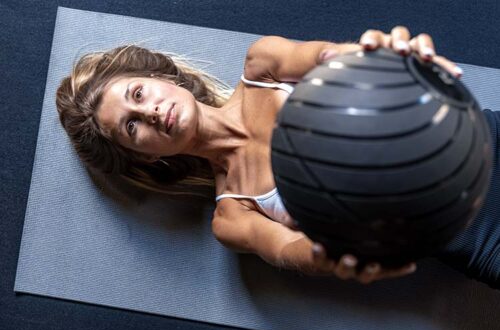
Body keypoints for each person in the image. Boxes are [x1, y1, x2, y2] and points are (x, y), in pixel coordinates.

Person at [56, 26, 496, 286]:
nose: (149, 112)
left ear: (158, 75)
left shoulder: (262, 67)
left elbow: (329, 55)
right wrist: (331, 259)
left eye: (138, 93)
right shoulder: (232, 215)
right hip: (473, 238)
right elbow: (289, 250)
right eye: (131, 127)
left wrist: (378, 51)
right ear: (145, 157)